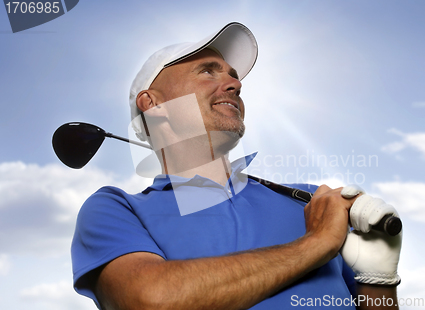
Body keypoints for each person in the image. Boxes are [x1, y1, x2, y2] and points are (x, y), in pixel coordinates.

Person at [71, 22, 402, 310]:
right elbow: (149, 301)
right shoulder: (116, 210)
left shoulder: (316, 202)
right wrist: (316, 244)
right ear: (153, 104)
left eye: (232, 76)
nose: (236, 84)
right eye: (207, 71)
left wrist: (379, 280)